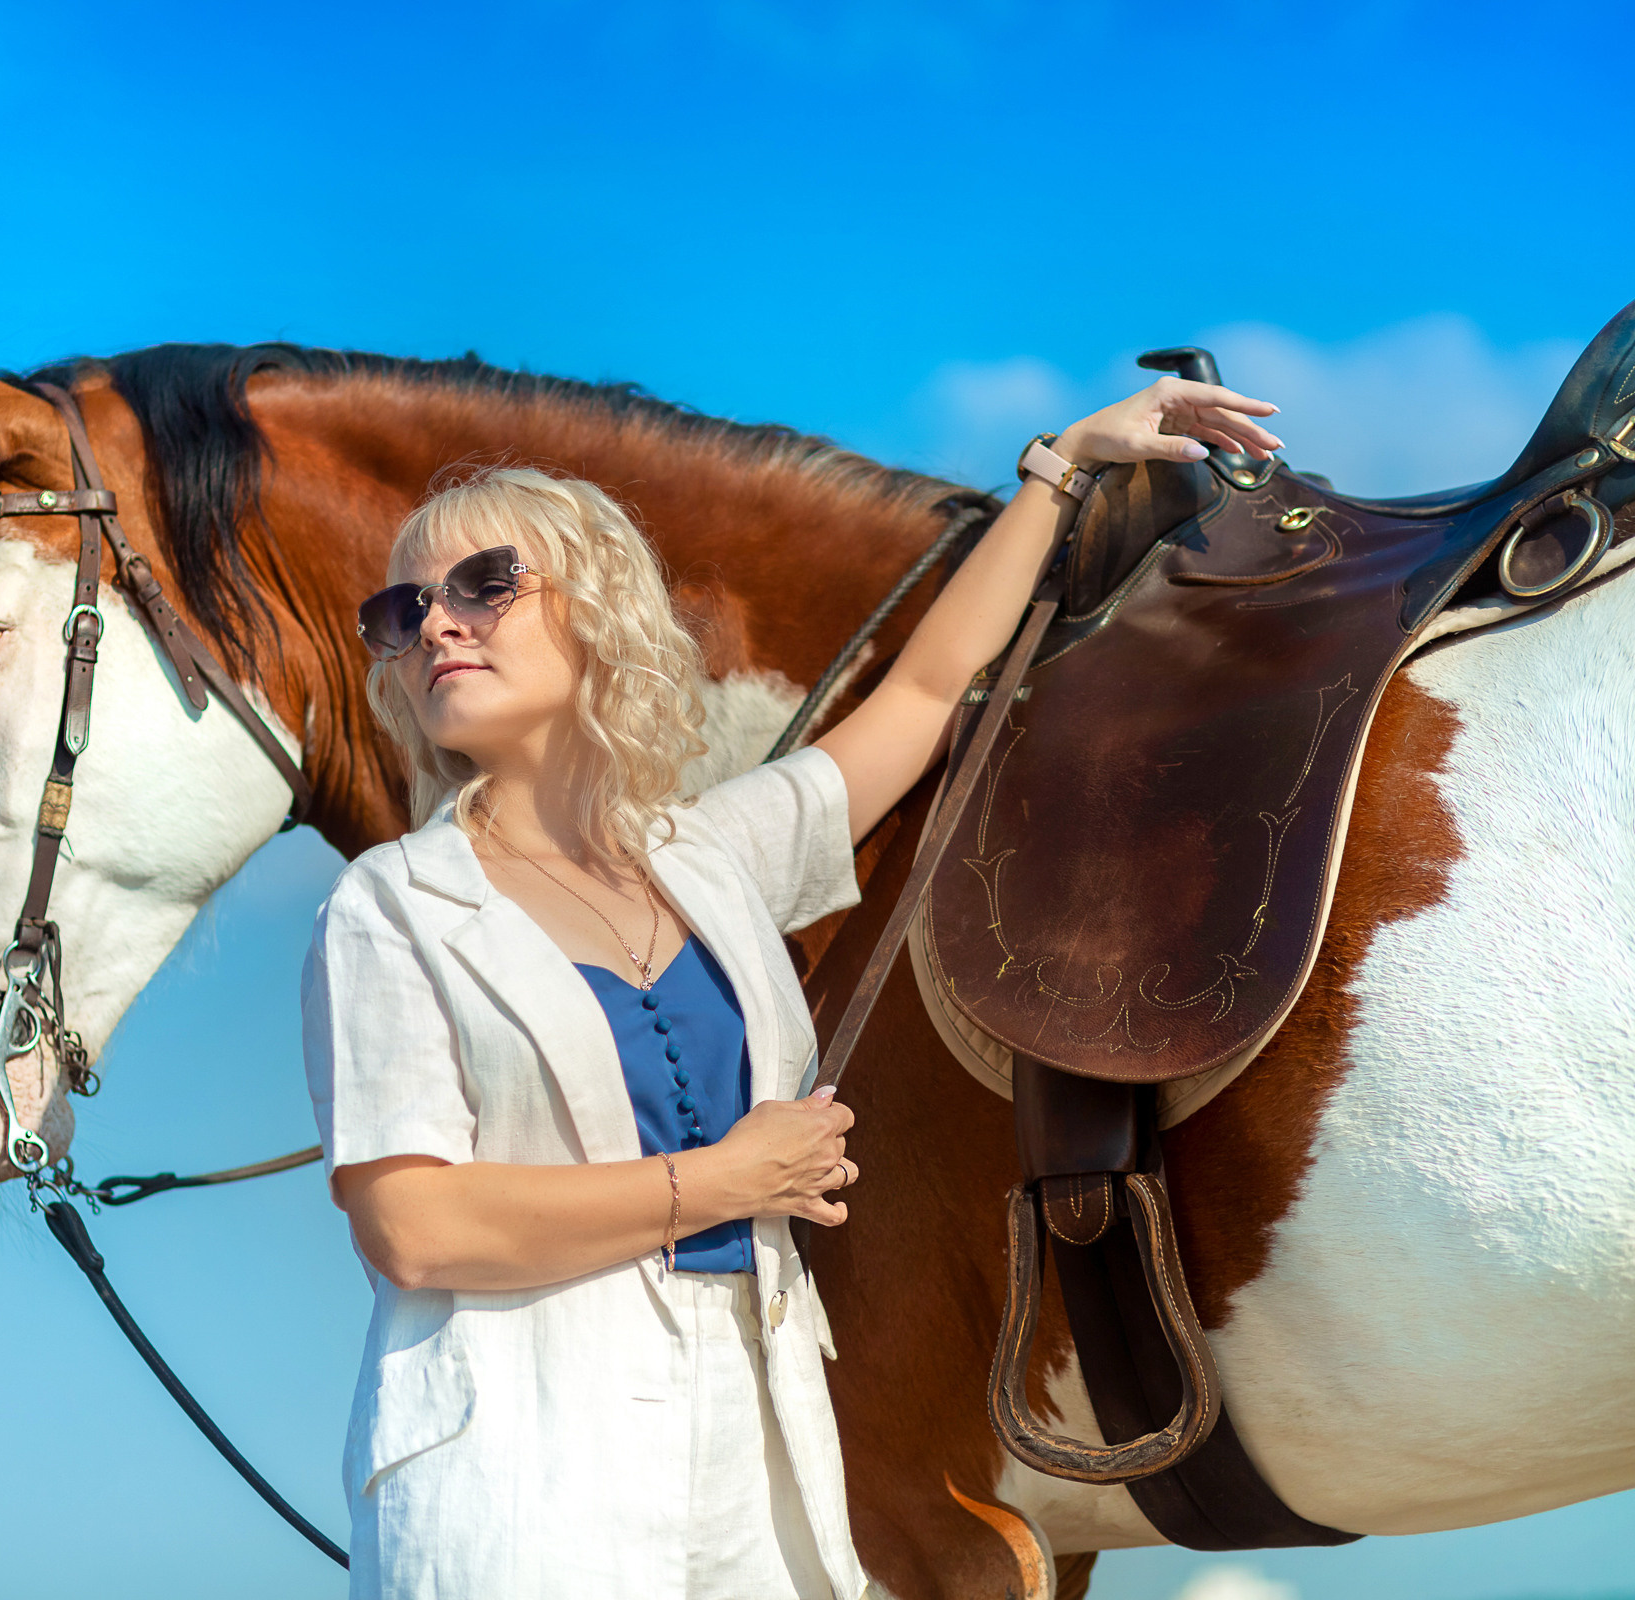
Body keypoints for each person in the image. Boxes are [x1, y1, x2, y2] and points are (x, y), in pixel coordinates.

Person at [302, 379, 1282, 1599]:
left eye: (483, 584)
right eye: (407, 608)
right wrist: (720, 1181)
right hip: (519, 1466)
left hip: (758, 1458)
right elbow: (413, 1225)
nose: (438, 624)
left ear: (598, 610)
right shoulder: (391, 903)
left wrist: (1062, 469)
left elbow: (924, 695)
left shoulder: (711, 854)